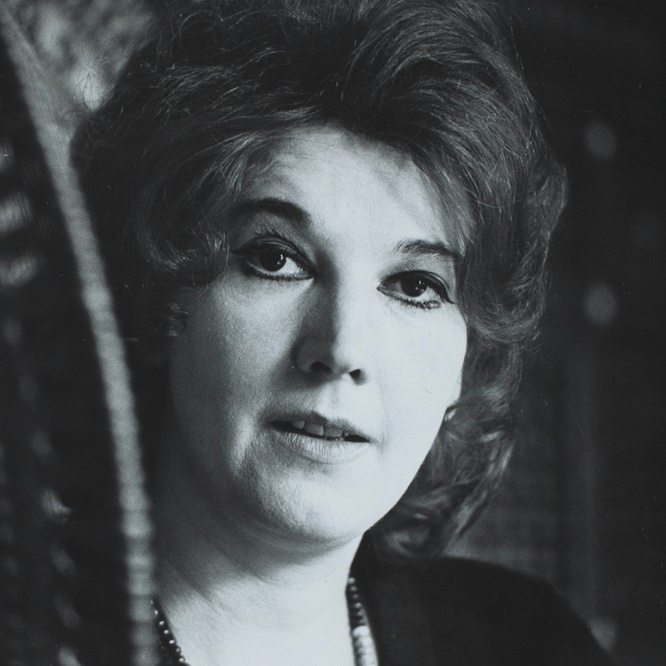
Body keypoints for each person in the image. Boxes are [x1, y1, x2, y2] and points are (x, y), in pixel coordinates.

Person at [73, 0, 613, 663]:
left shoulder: (532, 644)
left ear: (465, 365)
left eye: (414, 286)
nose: (341, 350)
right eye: (276, 258)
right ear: (157, 296)